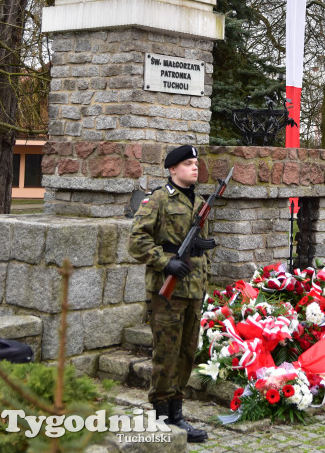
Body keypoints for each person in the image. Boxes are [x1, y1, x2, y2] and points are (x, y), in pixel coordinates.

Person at [128, 145, 209, 443]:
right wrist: (165, 261)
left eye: (195, 163)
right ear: (173, 169)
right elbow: (136, 240)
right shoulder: (159, 198)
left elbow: (201, 248)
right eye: (187, 163)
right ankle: (163, 416)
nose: (194, 168)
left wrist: (205, 278)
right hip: (167, 292)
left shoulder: (200, 201)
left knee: (187, 352)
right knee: (166, 354)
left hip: (193, 289)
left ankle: (178, 412)